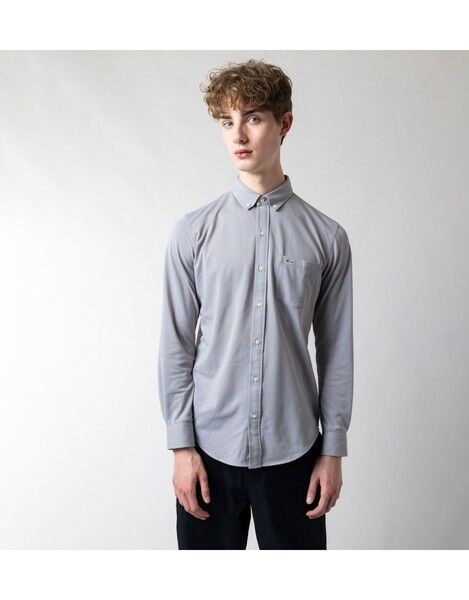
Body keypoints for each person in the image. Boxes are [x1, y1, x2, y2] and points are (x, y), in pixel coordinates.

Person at [158, 58, 353, 550]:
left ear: (284, 123)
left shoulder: (327, 237)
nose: (238, 135)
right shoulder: (192, 233)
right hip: (209, 454)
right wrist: (181, 447)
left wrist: (332, 450)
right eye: (227, 122)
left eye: (253, 118)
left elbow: (336, 352)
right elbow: (176, 344)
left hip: (295, 456)